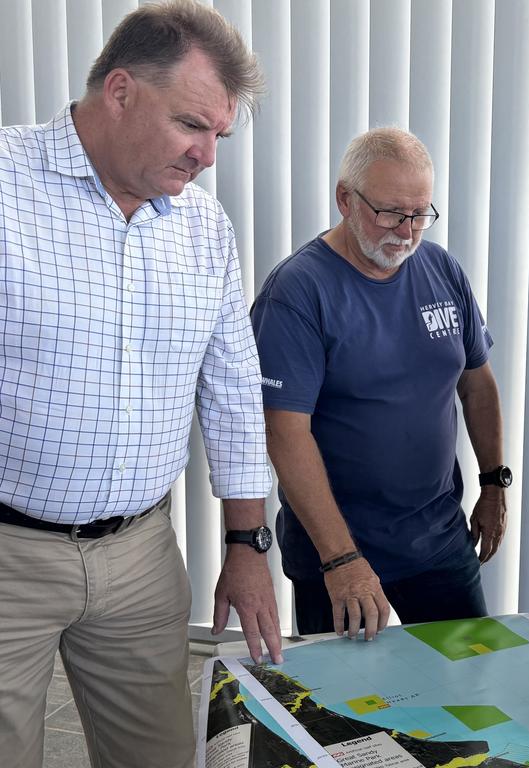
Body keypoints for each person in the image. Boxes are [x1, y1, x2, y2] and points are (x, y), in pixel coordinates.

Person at [0, 2, 283, 767]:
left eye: (219, 134)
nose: (208, 156)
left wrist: (248, 542)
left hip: (141, 558)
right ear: (119, 91)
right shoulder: (5, 186)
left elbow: (231, 392)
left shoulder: (203, 228)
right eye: (193, 126)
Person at [251, 127, 508, 639]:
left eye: (420, 214)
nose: (407, 231)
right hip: (338, 552)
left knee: (470, 690)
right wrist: (341, 558)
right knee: (346, 714)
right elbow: (284, 433)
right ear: (346, 199)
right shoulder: (297, 293)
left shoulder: (442, 270)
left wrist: (493, 482)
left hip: (438, 541)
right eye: (391, 213)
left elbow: (476, 384)